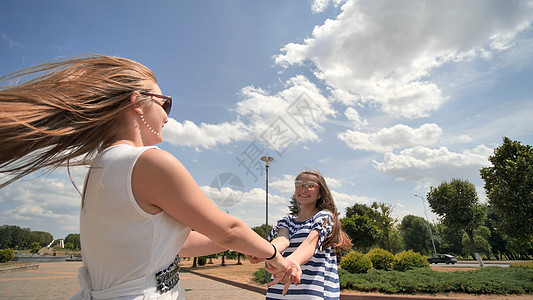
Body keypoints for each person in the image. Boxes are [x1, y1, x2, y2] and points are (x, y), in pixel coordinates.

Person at [0, 54, 298, 299]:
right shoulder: (149, 163)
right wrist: (272, 252)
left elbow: (174, 244)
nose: (168, 115)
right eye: (164, 102)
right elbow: (229, 228)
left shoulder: (102, 167)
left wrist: (245, 246)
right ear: (136, 103)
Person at [247, 170, 353, 299]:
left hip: (312, 292)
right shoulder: (287, 220)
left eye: (310, 185)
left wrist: (291, 261)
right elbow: (282, 240)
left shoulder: (325, 216)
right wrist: (265, 252)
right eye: (299, 185)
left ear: (320, 193)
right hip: (279, 290)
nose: (304, 189)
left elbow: (310, 243)